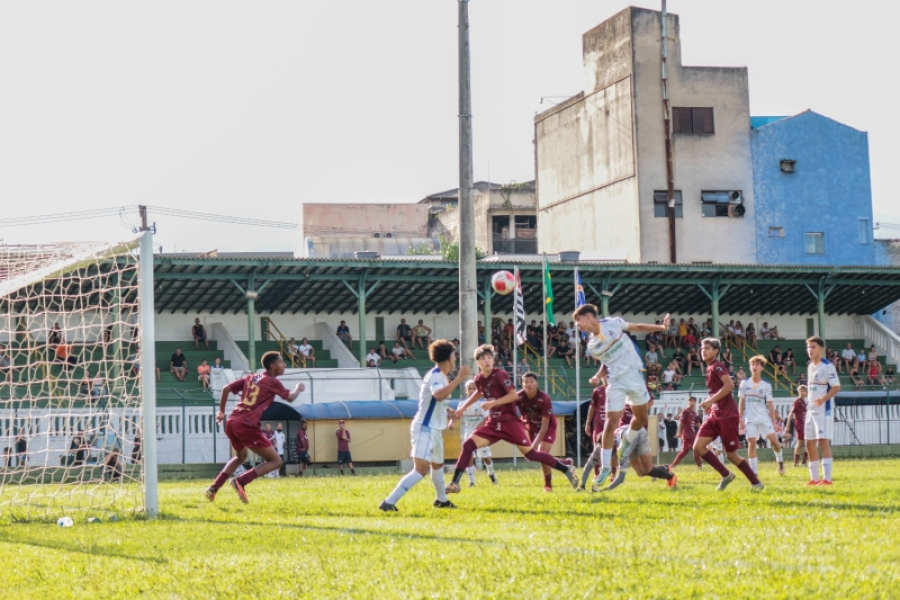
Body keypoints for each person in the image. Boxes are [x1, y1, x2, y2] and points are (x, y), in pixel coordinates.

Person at [446, 345, 578, 493]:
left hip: (510, 423)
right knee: (468, 445)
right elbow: (479, 392)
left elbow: (513, 395)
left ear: (494, 359)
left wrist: (493, 403)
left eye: (489, 357)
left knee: (531, 454)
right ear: (478, 363)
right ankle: (454, 483)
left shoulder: (500, 374)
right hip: (493, 423)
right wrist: (462, 408)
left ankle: (565, 468)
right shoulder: (478, 379)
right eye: (483, 358)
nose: (487, 360)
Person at [574, 304, 669, 488]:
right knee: (610, 424)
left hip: (634, 377)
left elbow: (638, 327)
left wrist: (661, 328)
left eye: (578, 320)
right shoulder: (591, 345)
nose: (577, 324)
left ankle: (627, 440)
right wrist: (598, 376)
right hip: (615, 382)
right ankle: (606, 468)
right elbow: (606, 363)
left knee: (641, 418)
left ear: (588, 316)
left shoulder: (613, 323)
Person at [380, 340, 469, 512]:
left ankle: (441, 500)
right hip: (425, 428)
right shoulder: (436, 375)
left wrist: (448, 410)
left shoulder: (441, 376)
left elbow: (436, 401)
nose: (455, 358)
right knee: (421, 469)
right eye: (454, 354)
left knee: (437, 465)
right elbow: (438, 395)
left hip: (434, 429)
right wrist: (460, 378)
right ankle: (388, 502)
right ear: (450, 357)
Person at [205, 351, 304, 503]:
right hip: (247, 424)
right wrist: (298, 388)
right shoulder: (272, 381)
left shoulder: (250, 377)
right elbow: (290, 397)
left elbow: (225, 389)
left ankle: (214, 487)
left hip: (232, 421)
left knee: (240, 456)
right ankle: (241, 481)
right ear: (272, 366)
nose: (284, 364)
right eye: (281, 362)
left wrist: (221, 412)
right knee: (276, 461)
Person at [693, 338, 764, 491]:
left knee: (731, 455)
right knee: (698, 447)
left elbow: (729, 385)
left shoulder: (718, 366)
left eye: (707, 348)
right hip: (715, 415)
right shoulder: (710, 367)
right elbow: (717, 390)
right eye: (701, 348)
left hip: (727, 415)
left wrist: (710, 401)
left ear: (716, 351)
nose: (703, 351)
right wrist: (709, 402)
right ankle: (726, 475)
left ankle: (756, 483)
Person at [517, 372, 565, 491]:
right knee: (540, 456)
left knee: (541, 452)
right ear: (522, 384)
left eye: (531, 381)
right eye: (525, 382)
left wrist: (532, 447)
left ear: (537, 383)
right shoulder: (519, 396)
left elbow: (544, 426)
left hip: (548, 427)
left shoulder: (544, 398)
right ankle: (564, 462)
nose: (528, 384)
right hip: (532, 427)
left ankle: (548, 485)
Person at [738, 356, 785, 476]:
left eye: (757, 364)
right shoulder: (744, 383)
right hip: (750, 418)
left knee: (774, 442)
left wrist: (774, 422)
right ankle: (754, 473)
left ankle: (780, 461)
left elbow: (770, 404)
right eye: (752, 364)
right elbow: (741, 402)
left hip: (764, 418)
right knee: (752, 443)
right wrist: (740, 419)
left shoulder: (766, 385)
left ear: (762, 368)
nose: (754, 367)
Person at [805, 336, 841, 486]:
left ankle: (827, 479)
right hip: (811, 410)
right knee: (809, 444)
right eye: (808, 347)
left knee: (823, 444)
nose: (810, 350)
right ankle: (814, 479)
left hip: (823, 410)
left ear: (821, 349)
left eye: (813, 347)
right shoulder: (810, 366)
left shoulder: (827, 366)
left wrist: (823, 399)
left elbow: (836, 387)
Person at [452, 380, 498, 487]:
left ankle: (492, 475)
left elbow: (487, 419)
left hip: (481, 432)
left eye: (474, 388)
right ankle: (471, 481)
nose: (472, 391)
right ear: (466, 390)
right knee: (468, 454)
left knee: (485, 457)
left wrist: (478, 428)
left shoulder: (481, 404)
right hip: (468, 431)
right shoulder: (462, 404)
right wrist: (452, 421)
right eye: (469, 389)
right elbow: (457, 414)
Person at [580, 377, 617, 490]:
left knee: (613, 449)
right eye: (604, 376)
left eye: (609, 376)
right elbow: (592, 407)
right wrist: (588, 423)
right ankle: (596, 473)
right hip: (598, 424)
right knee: (597, 447)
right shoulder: (597, 391)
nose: (606, 378)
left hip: (612, 424)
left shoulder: (617, 390)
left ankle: (613, 473)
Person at [668, 397, 702, 471]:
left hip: (693, 434)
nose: (692, 402)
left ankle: (699, 467)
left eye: (694, 401)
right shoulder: (686, 411)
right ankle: (673, 465)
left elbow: (697, 423)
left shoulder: (693, 412)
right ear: (688, 402)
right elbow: (681, 421)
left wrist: (704, 430)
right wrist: (679, 432)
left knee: (696, 450)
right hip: (687, 435)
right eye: (691, 401)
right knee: (685, 451)